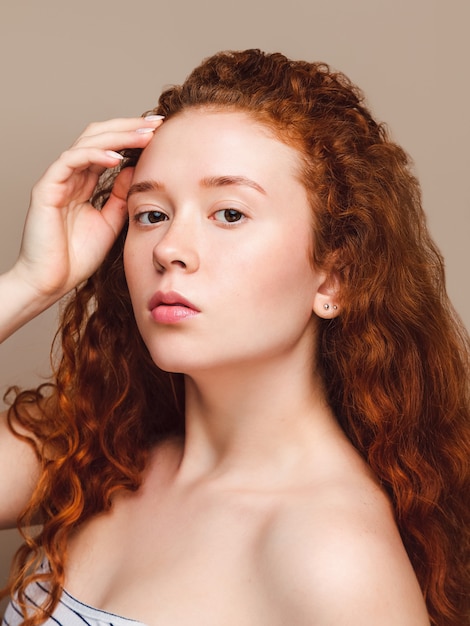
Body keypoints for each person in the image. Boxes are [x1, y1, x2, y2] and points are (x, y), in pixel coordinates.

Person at [0, 49, 468, 626]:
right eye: (151, 214)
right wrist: (27, 284)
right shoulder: (98, 450)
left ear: (335, 276)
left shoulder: (336, 560)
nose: (170, 248)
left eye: (229, 213)